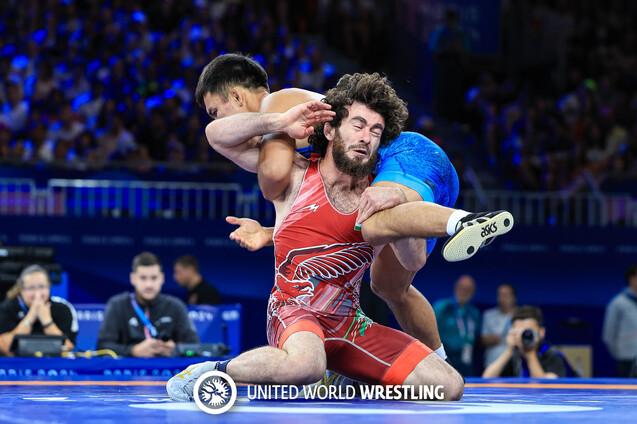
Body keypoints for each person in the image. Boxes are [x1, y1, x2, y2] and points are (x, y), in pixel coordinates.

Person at [189, 53, 513, 359]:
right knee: (390, 285)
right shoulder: (277, 135)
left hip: (406, 157)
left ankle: (465, 221)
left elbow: (271, 177)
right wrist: (271, 231)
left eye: (215, 110)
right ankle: (440, 364)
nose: (217, 120)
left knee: (372, 221)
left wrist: (279, 123)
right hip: (412, 178)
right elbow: (215, 136)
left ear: (237, 96)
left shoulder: (280, 104)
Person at [167, 72, 465, 402]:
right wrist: (280, 121)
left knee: (447, 386)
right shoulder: (295, 173)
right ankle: (213, 371)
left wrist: (401, 210)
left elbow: (412, 261)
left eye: (375, 131)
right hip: (293, 311)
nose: (365, 138)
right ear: (330, 129)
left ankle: (348, 376)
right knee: (306, 365)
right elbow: (217, 136)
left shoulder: (378, 198)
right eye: (358, 125)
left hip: (349, 324)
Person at [97, 252, 199, 357]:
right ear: (133, 279)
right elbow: (102, 347)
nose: (149, 284)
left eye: (154, 278)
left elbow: (195, 347)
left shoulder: (176, 306)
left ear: (162, 278)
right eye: (143, 278)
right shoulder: (117, 305)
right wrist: (133, 351)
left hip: (169, 366)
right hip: (129, 367)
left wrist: (176, 350)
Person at [0, 265, 78, 355]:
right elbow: (4, 348)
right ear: (21, 290)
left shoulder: (63, 309)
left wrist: (47, 321)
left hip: (53, 363)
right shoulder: (7, 308)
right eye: (31, 288)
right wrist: (29, 318)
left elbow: (68, 347)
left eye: (42, 287)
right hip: (16, 363)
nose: (37, 293)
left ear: (49, 287)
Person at [482, 305, 571, 378]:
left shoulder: (553, 356)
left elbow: (543, 388)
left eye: (528, 332)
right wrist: (509, 350)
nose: (524, 336)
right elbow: (487, 379)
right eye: (519, 332)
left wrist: (530, 354)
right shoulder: (515, 355)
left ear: (541, 332)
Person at [434, 275, 480, 376]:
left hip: (466, 361)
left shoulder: (474, 312)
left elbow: (476, 335)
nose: (464, 292)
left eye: (468, 289)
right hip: (445, 359)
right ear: (456, 288)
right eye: (462, 288)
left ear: (473, 292)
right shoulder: (442, 307)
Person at [603, 265, 637, 377]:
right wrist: (620, 355)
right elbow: (608, 335)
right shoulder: (618, 303)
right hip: (626, 359)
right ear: (631, 279)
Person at [481, 283, 517, 368]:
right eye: (500, 295)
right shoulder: (488, 315)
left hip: (514, 364)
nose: (502, 299)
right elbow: (483, 340)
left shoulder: (520, 316)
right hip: (493, 363)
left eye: (506, 295)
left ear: (513, 298)